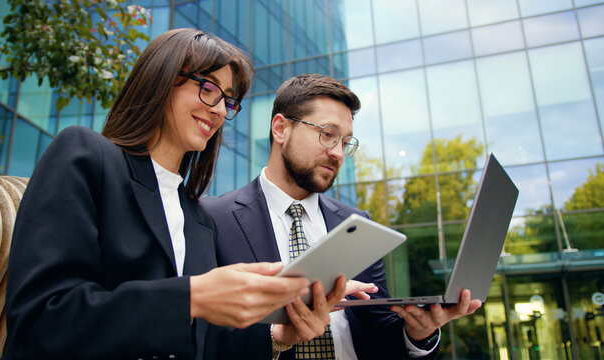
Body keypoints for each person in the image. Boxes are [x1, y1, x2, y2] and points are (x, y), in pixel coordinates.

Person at [3, 29, 346, 360]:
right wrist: (192, 297)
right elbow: (41, 320)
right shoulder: (86, 157)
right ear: (162, 79)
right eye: (208, 88)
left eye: (227, 101)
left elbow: (204, 343)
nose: (218, 110)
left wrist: (280, 336)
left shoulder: (198, 217)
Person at [201, 74, 483, 359]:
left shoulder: (357, 224)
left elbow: (380, 333)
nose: (338, 153)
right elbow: (201, 334)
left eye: (346, 142)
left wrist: (418, 334)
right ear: (280, 128)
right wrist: (276, 338)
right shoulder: (212, 218)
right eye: (328, 134)